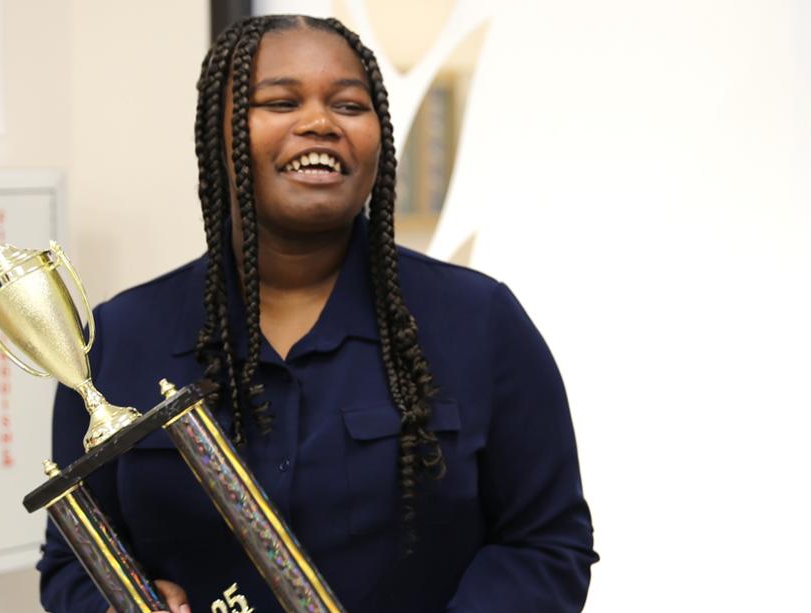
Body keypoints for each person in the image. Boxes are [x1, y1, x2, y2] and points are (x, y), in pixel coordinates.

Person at [38, 14, 597, 613]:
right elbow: (71, 562)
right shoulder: (120, 338)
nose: (319, 123)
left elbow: (546, 543)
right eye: (279, 101)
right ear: (217, 133)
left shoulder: (480, 321)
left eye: (350, 106)